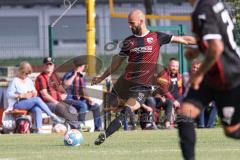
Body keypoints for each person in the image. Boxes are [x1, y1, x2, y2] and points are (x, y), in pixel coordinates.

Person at [91, 9, 196, 145]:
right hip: (126, 83)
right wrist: (101, 77)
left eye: (132, 23)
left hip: (143, 86)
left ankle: (105, 134)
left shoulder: (156, 37)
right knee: (108, 106)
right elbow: (117, 62)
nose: (129, 26)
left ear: (141, 21)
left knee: (128, 109)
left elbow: (184, 40)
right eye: (128, 23)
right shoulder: (129, 42)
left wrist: (207, 41)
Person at [178, 1, 240, 160]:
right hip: (213, 74)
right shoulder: (214, 3)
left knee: (232, 131)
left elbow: (217, 47)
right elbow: (219, 38)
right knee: (185, 114)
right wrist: (197, 49)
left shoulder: (204, 8)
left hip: (228, 76)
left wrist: (198, 74)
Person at [7, 61, 64, 133]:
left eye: (28, 74)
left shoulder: (28, 80)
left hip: (29, 102)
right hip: (18, 103)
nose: (27, 75)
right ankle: (52, 116)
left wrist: (33, 93)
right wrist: (20, 95)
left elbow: (35, 92)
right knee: (37, 99)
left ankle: (38, 130)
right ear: (21, 71)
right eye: (26, 73)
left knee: (37, 109)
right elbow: (9, 94)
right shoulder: (15, 81)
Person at [35, 57, 82, 129]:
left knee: (73, 109)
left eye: (50, 64)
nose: (48, 66)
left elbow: (61, 89)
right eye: (47, 64)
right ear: (43, 66)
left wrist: (64, 94)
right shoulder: (41, 78)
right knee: (62, 109)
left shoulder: (55, 76)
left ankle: (71, 127)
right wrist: (56, 102)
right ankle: (77, 127)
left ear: (53, 66)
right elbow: (45, 95)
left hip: (58, 101)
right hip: (47, 103)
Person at [62, 59, 102, 131]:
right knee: (83, 105)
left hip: (79, 100)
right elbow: (65, 85)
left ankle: (98, 127)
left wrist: (89, 99)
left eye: (82, 66)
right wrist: (74, 74)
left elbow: (83, 90)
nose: (81, 68)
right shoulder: (69, 74)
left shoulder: (81, 77)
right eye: (79, 66)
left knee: (95, 106)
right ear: (75, 66)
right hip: (69, 99)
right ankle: (81, 127)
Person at [155, 58, 183, 128]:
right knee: (171, 104)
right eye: (173, 66)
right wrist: (174, 101)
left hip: (177, 99)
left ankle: (183, 124)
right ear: (168, 65)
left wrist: (179, 101)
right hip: (165, 98)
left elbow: (181, 90)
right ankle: (170, 124)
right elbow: (165, 91)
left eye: (176, 66)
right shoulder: (163, 75)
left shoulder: (179, 76)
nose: (175, 68)